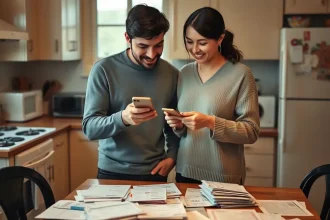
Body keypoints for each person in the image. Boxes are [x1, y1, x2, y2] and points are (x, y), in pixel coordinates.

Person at [83, 4, 179, 182]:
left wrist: (172, 157)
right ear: (127, 38)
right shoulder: (104, 70)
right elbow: (90, 128)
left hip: (155, 172)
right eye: (143, 46)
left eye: (158, 45)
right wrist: (123, 118)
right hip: (111, 172)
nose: (151, 54)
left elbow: (172, 125)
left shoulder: (172, 74)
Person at [164, 7, 260, 184]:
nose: (194, 49)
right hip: (185, 172)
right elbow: (184, 132)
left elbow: (251, 131)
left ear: (220, 39)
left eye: (202, 42)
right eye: (189, 42)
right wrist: (178, 125)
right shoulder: (184, 74)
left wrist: (210, 122)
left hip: (223, 177)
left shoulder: (241, 74)